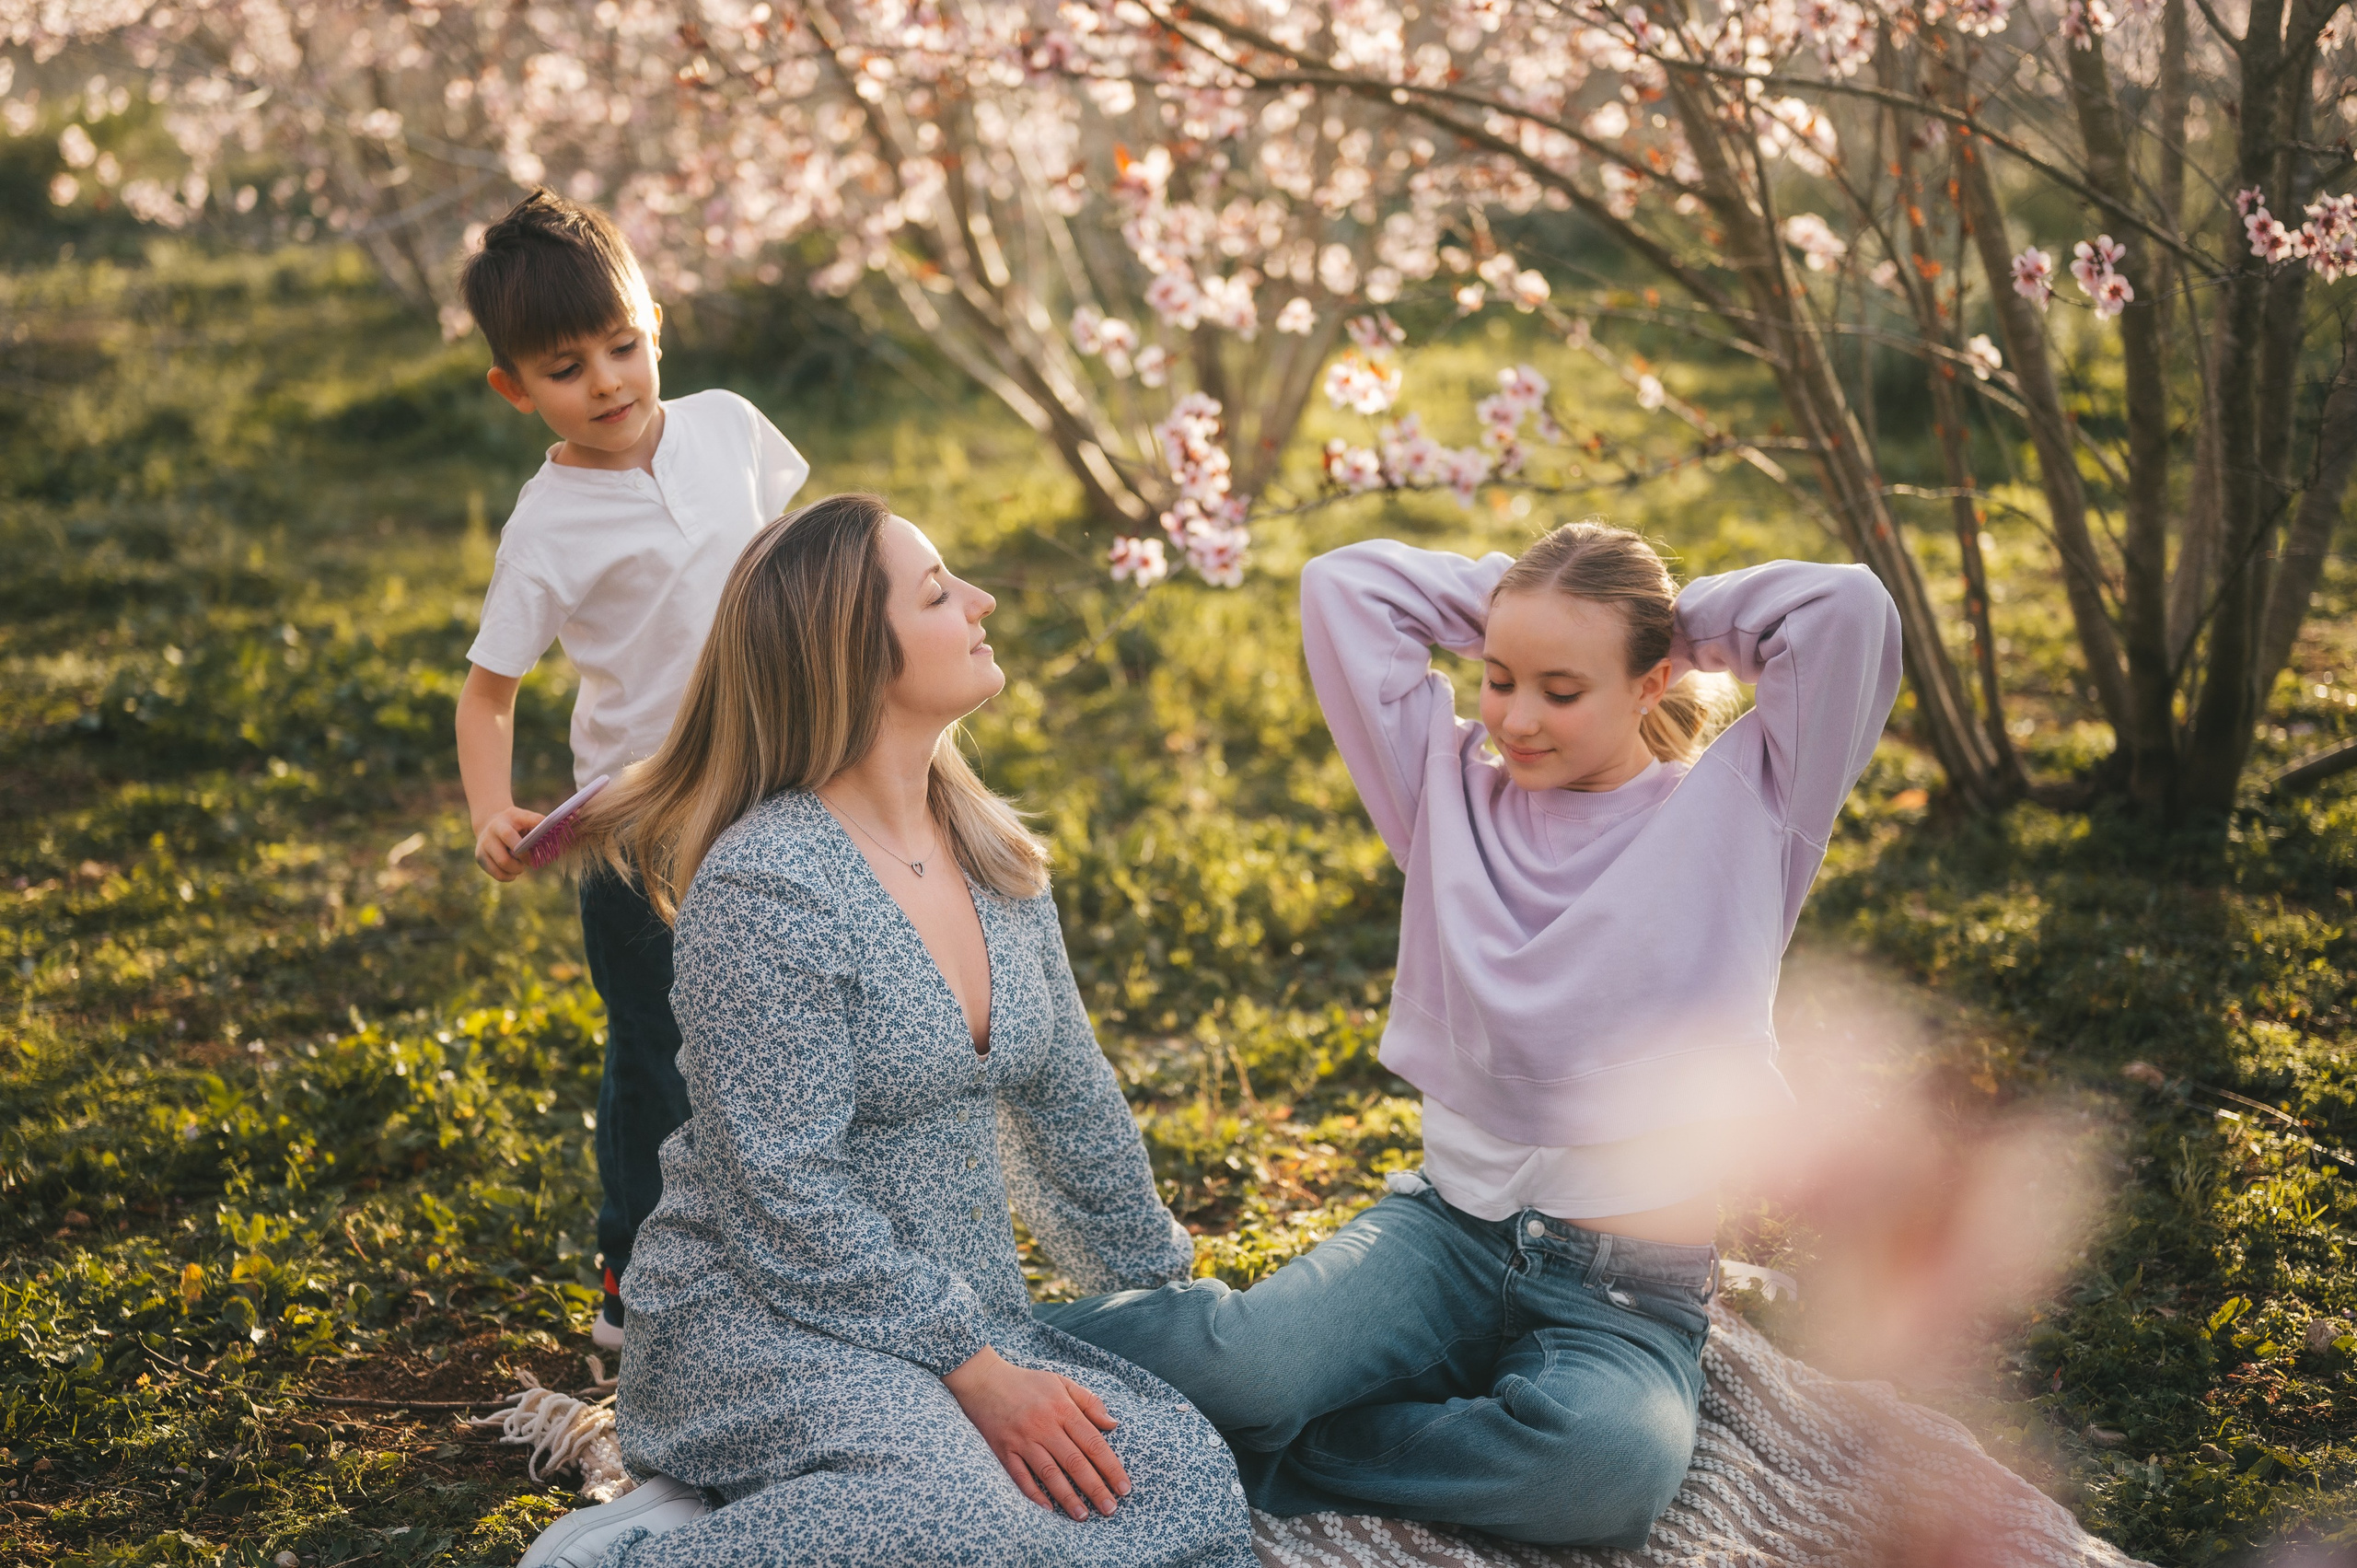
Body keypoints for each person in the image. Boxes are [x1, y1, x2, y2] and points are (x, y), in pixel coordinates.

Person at [1040, 521, 1902, 1549]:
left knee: (1603, 1468)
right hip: (1444, 1235)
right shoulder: (1445, 793)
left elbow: (1846, 613)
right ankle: (962, 1348)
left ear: (1649, 681)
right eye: (1498, 678)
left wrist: (1663, 617)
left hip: (1626, 1292)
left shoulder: (1752, 809)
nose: (1516, 720)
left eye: (1561, 688)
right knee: (1243, 1363)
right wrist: (1524, 602)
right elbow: (1341, 587)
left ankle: (1265, 1446)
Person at [515, 494, 1256, 1568]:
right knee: (969, 1522)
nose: (982, 600)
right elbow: (784, 1194)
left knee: (1181, 1482)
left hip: (948, 1310)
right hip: (757, 1319)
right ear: (853, 657)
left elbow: (1069, 1097)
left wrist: (1172, 1291)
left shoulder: (990, 853)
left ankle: (769, 1506)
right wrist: (980, 1369)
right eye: (940, 589)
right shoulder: (767, 885)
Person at [450, 190, 809, 1350]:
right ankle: (635, 1272)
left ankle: (796, 1240)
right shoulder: (548, 523)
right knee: (658, 1048)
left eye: (623, 345)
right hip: (640, 824)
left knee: (799, 1014)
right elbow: (489, 686)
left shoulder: (727, 426)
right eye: (567, 367)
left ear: (655, 321)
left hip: (779, 781)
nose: (607, 381)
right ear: (515, 389)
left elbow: (799, 566)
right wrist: (489, 808)